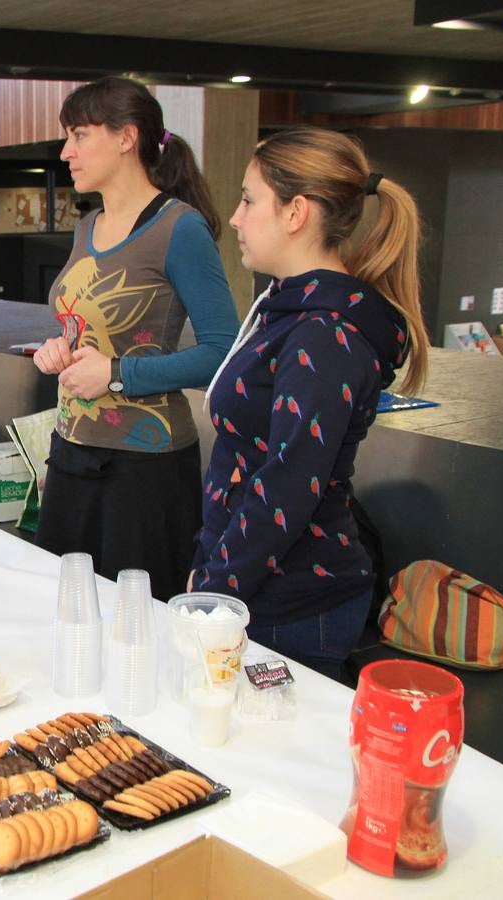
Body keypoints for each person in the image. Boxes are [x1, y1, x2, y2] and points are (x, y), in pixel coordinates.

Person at [190, 127, 430, 682]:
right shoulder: (290, 309)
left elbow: (289, 484)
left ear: (295, 212)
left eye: (250, 200)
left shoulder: (324, 333)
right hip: (249, 584)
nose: (235, 218)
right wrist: (210, 572)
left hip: (291, 602)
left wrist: (213, 595)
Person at [32, 76, 240, 591]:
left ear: (127, 137)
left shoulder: (178, 227)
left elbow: (224, 352)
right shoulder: (88, 227)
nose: (66, 151)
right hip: (72, 449)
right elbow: (88, 328)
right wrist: (60, 350)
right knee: (64, 609)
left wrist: (117, 374)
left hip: (143, 469)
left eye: (79, 135)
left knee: (138, 626)